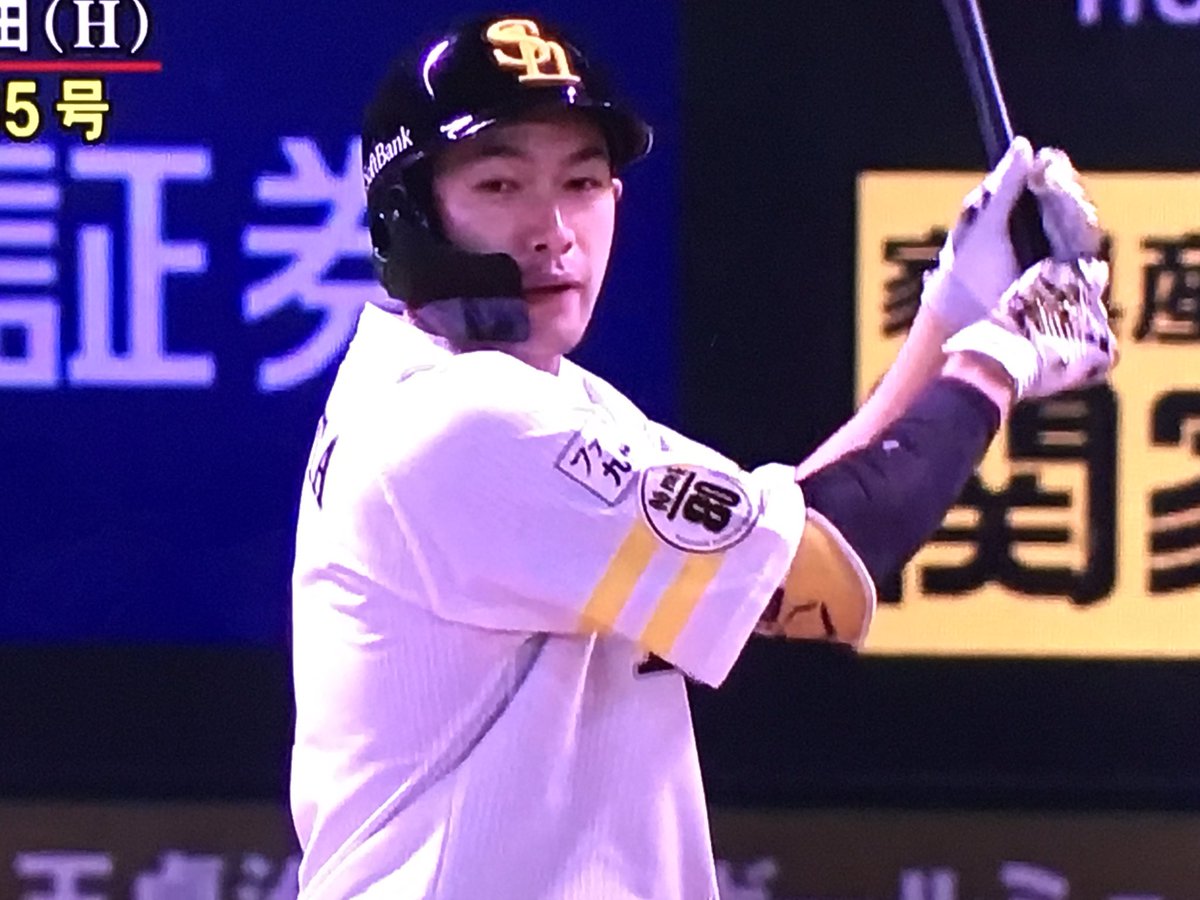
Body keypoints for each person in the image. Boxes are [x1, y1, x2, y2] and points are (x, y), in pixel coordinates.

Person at [288, 15, 1113, 899]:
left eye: (583, 182)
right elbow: (822, 564)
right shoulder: (462, 424)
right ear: (408, 217)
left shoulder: (523, 396)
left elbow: (775, 531)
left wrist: (954, 308)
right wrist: (1000, 360)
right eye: (500, 184)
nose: (555, 230)